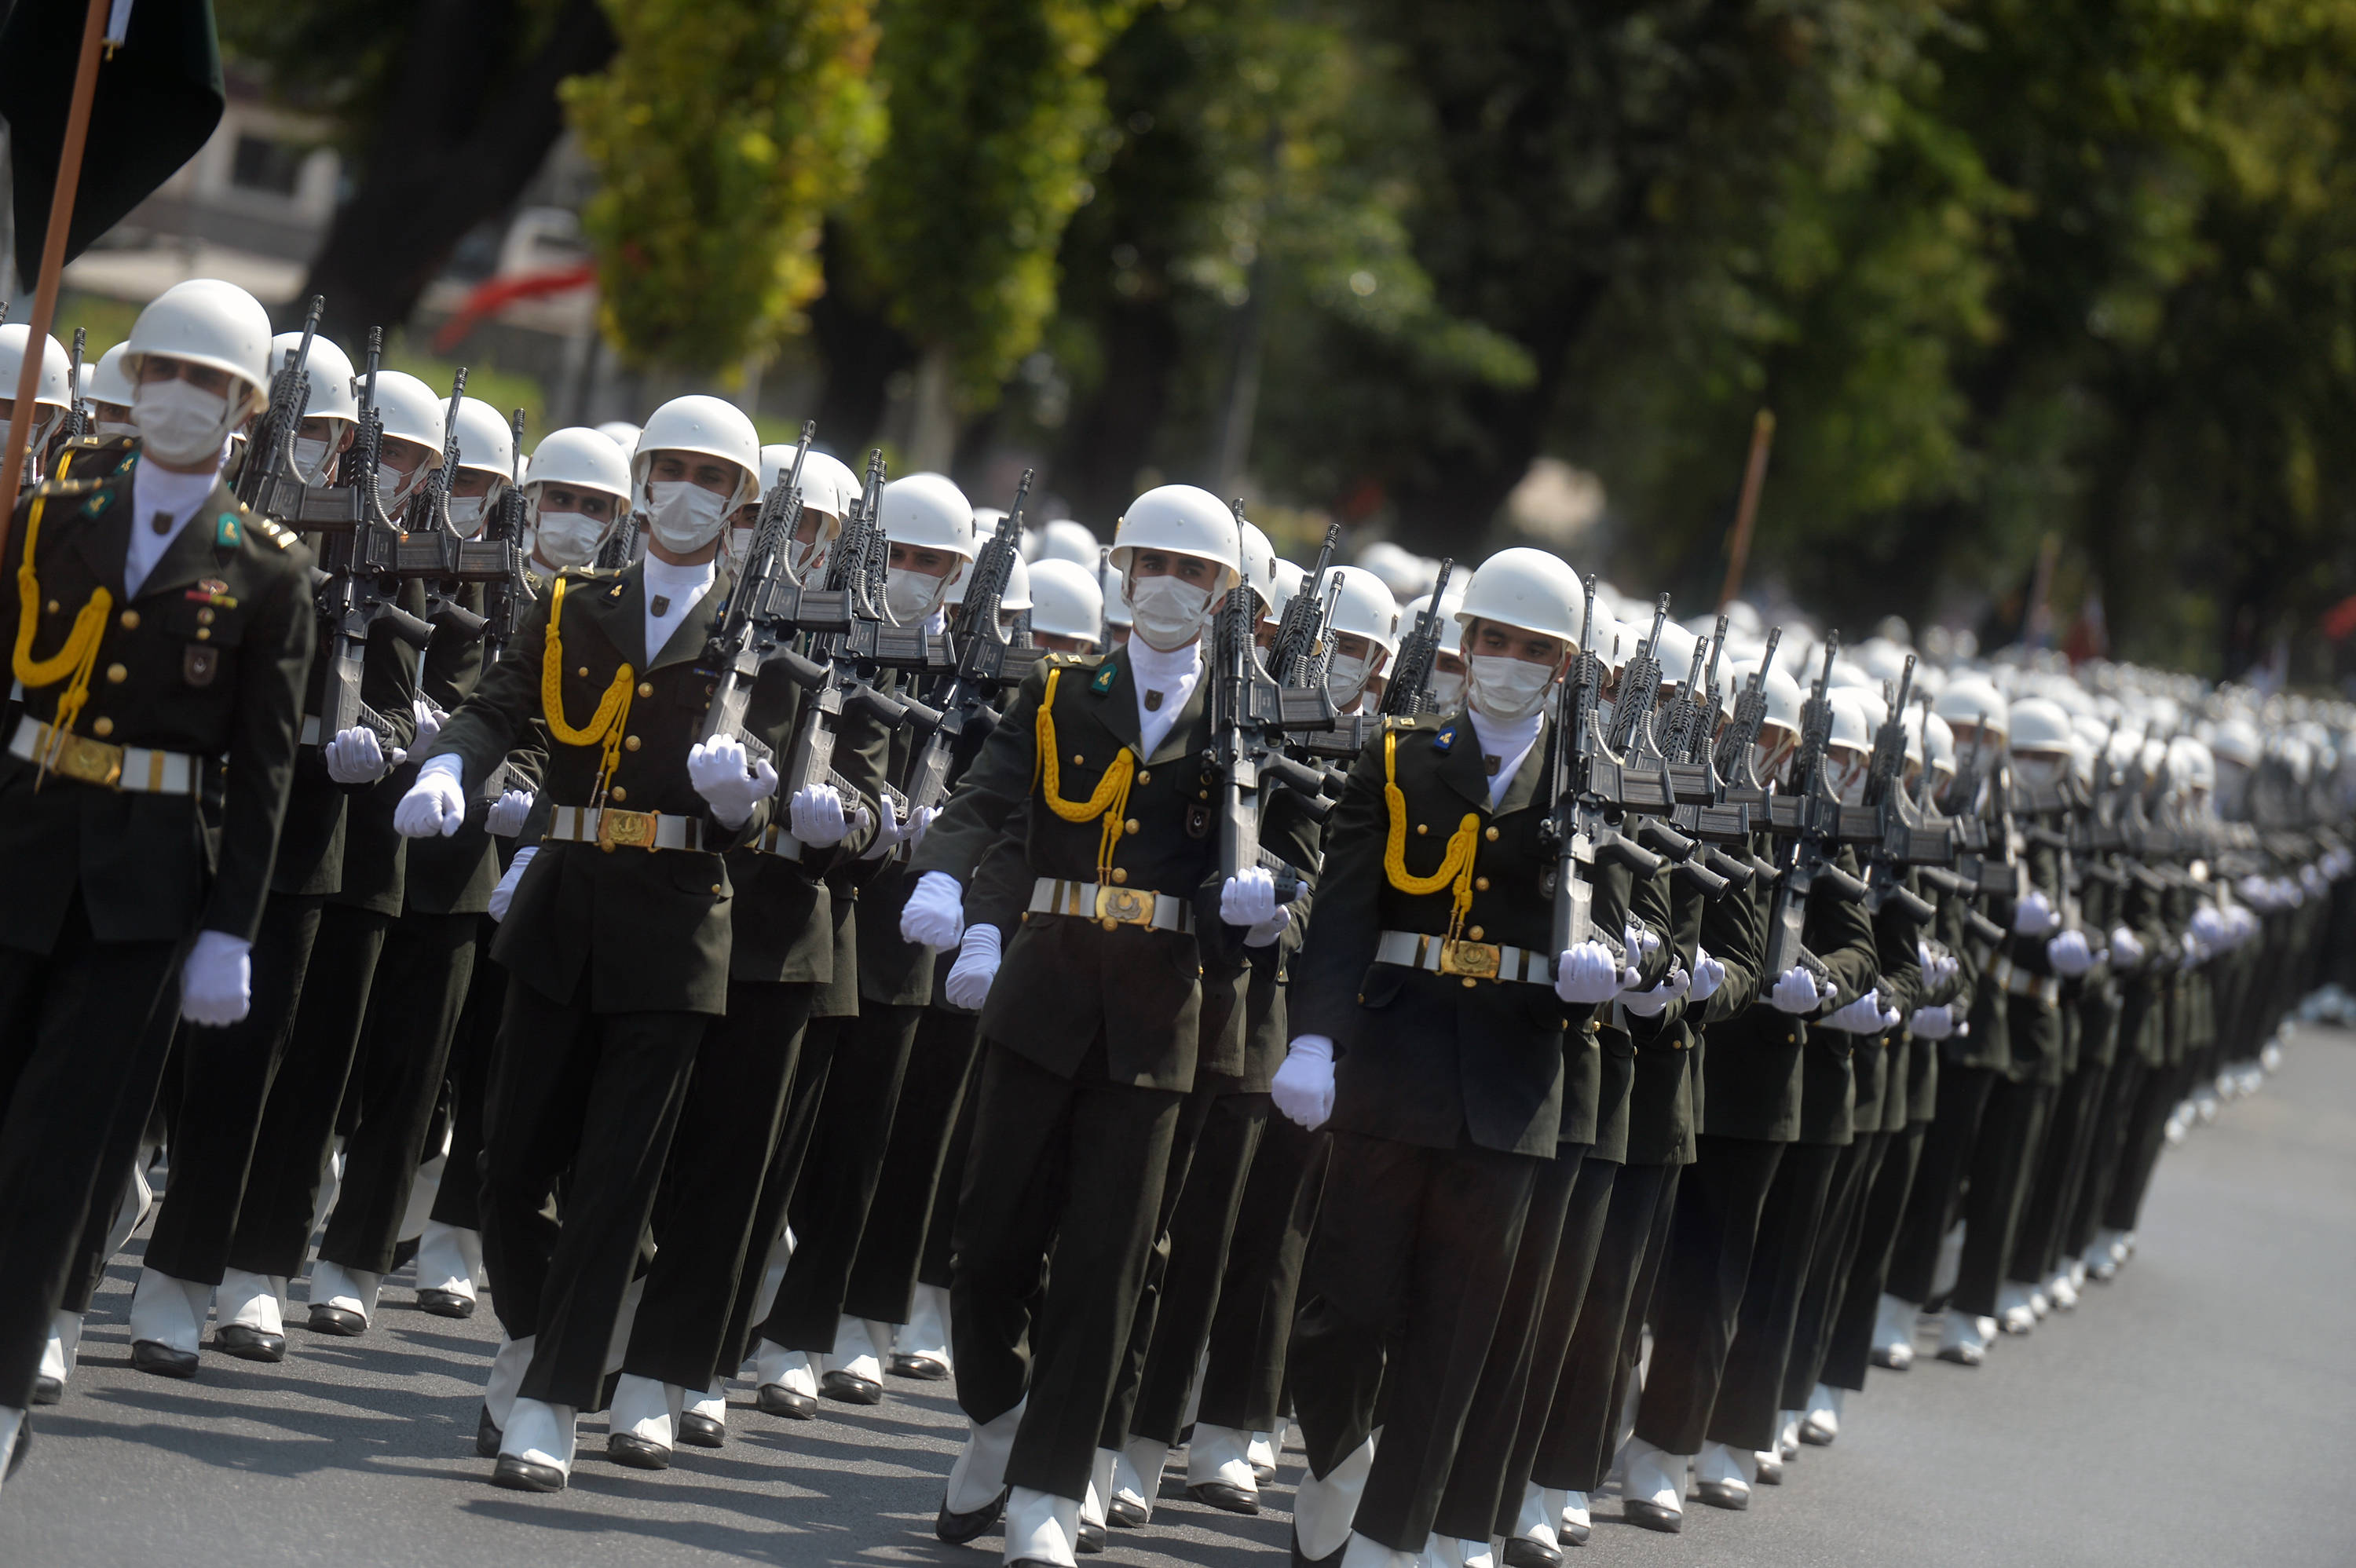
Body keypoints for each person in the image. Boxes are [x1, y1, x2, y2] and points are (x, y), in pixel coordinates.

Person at [393, 394, 783, 1491]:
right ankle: (540, 1331)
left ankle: (554, 1402)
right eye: (674, 470)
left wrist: (737, 802)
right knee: (509, 1162)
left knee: (617, 1176)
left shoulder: (764, 642)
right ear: (644, 478)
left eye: (715, 479)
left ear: (740, 505)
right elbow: (499, 704)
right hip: (563, 906)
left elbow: (773, 795)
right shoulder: (572, 604)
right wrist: (446, 766)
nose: (689, 494)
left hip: (674, 924)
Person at [899, 484, 1274, 1568]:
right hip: (1046, 989)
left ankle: (1051, 1493)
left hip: (1158, 1013)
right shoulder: (1063, 692)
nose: (1169, 585)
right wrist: (949, 882)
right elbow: (990, 796)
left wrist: (1250, 909)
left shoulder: (1243, 723)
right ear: (1120, 570)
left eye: (1194, 571)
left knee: (1109, 1262)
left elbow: (1266, 864)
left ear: (1225, 594)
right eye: (1152, 563)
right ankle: (1004, 1416)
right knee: (989, 1243)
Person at [1275, 547, 1662, 1568]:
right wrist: (1317, 1035)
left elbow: (1626, 927)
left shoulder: (1599, 786)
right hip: (1393, 1063)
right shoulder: (1398, 762)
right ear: (1465, 643)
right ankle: (1341, 1455)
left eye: (1537, 649)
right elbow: (1346, 914)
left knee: (1458, 1329)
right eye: (1496, 639)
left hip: (1514, 1079)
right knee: (1337, 1312)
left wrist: (1607, 970)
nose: (1510, 661)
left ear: (1567, 666)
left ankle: (1395, 1539)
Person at [0, 276, 313, 1483]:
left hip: (142, 889)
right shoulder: (46, 520)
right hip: (20, 840)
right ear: (134, 388)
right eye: (166, 376)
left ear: (243, 409)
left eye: (211, 384)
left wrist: (231, 928)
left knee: (53, 1154)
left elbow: (264, 767)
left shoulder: (268, 571)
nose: (184, 399)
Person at [125, 364, 432, 1374]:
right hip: (208, 816)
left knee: (301, 1072)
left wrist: (386, 736)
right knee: (188, 1061)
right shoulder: (232, 534)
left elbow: (427, 687)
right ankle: (163, 1267)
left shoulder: (396, 559)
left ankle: (255, 1266)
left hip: (334, 841)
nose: (327, 451)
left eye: (340, 435)